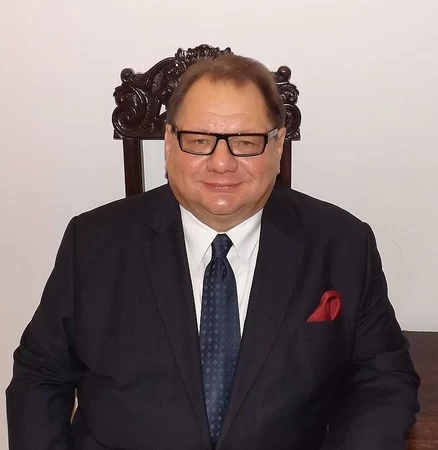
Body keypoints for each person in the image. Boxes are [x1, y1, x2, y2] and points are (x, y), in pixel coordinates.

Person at [6, 54, 419, 450]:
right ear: (169, 143)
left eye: (245, 142)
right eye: (199, 140)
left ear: (278, 146)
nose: (222, 163)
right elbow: (40, 375)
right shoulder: (92, 243)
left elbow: (382, 381)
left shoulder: (343, 245)